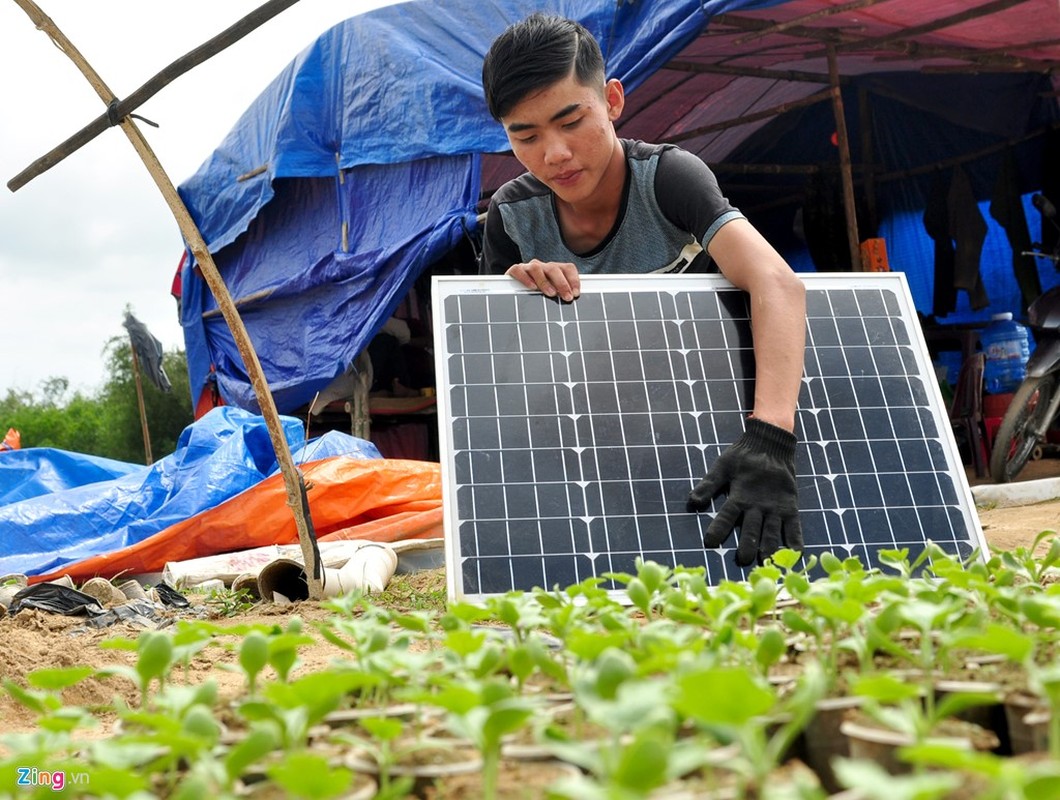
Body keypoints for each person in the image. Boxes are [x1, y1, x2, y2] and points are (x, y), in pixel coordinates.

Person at [479, 13, 806, 567]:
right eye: (525, 135)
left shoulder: (670, 178)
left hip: (717, 421)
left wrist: (769, 440)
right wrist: (520, 304)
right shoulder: (511, 217)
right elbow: (499, 378)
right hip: (596, 438)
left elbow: (776, 282)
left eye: (570, 120)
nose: (553, 153)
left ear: (611, 100)